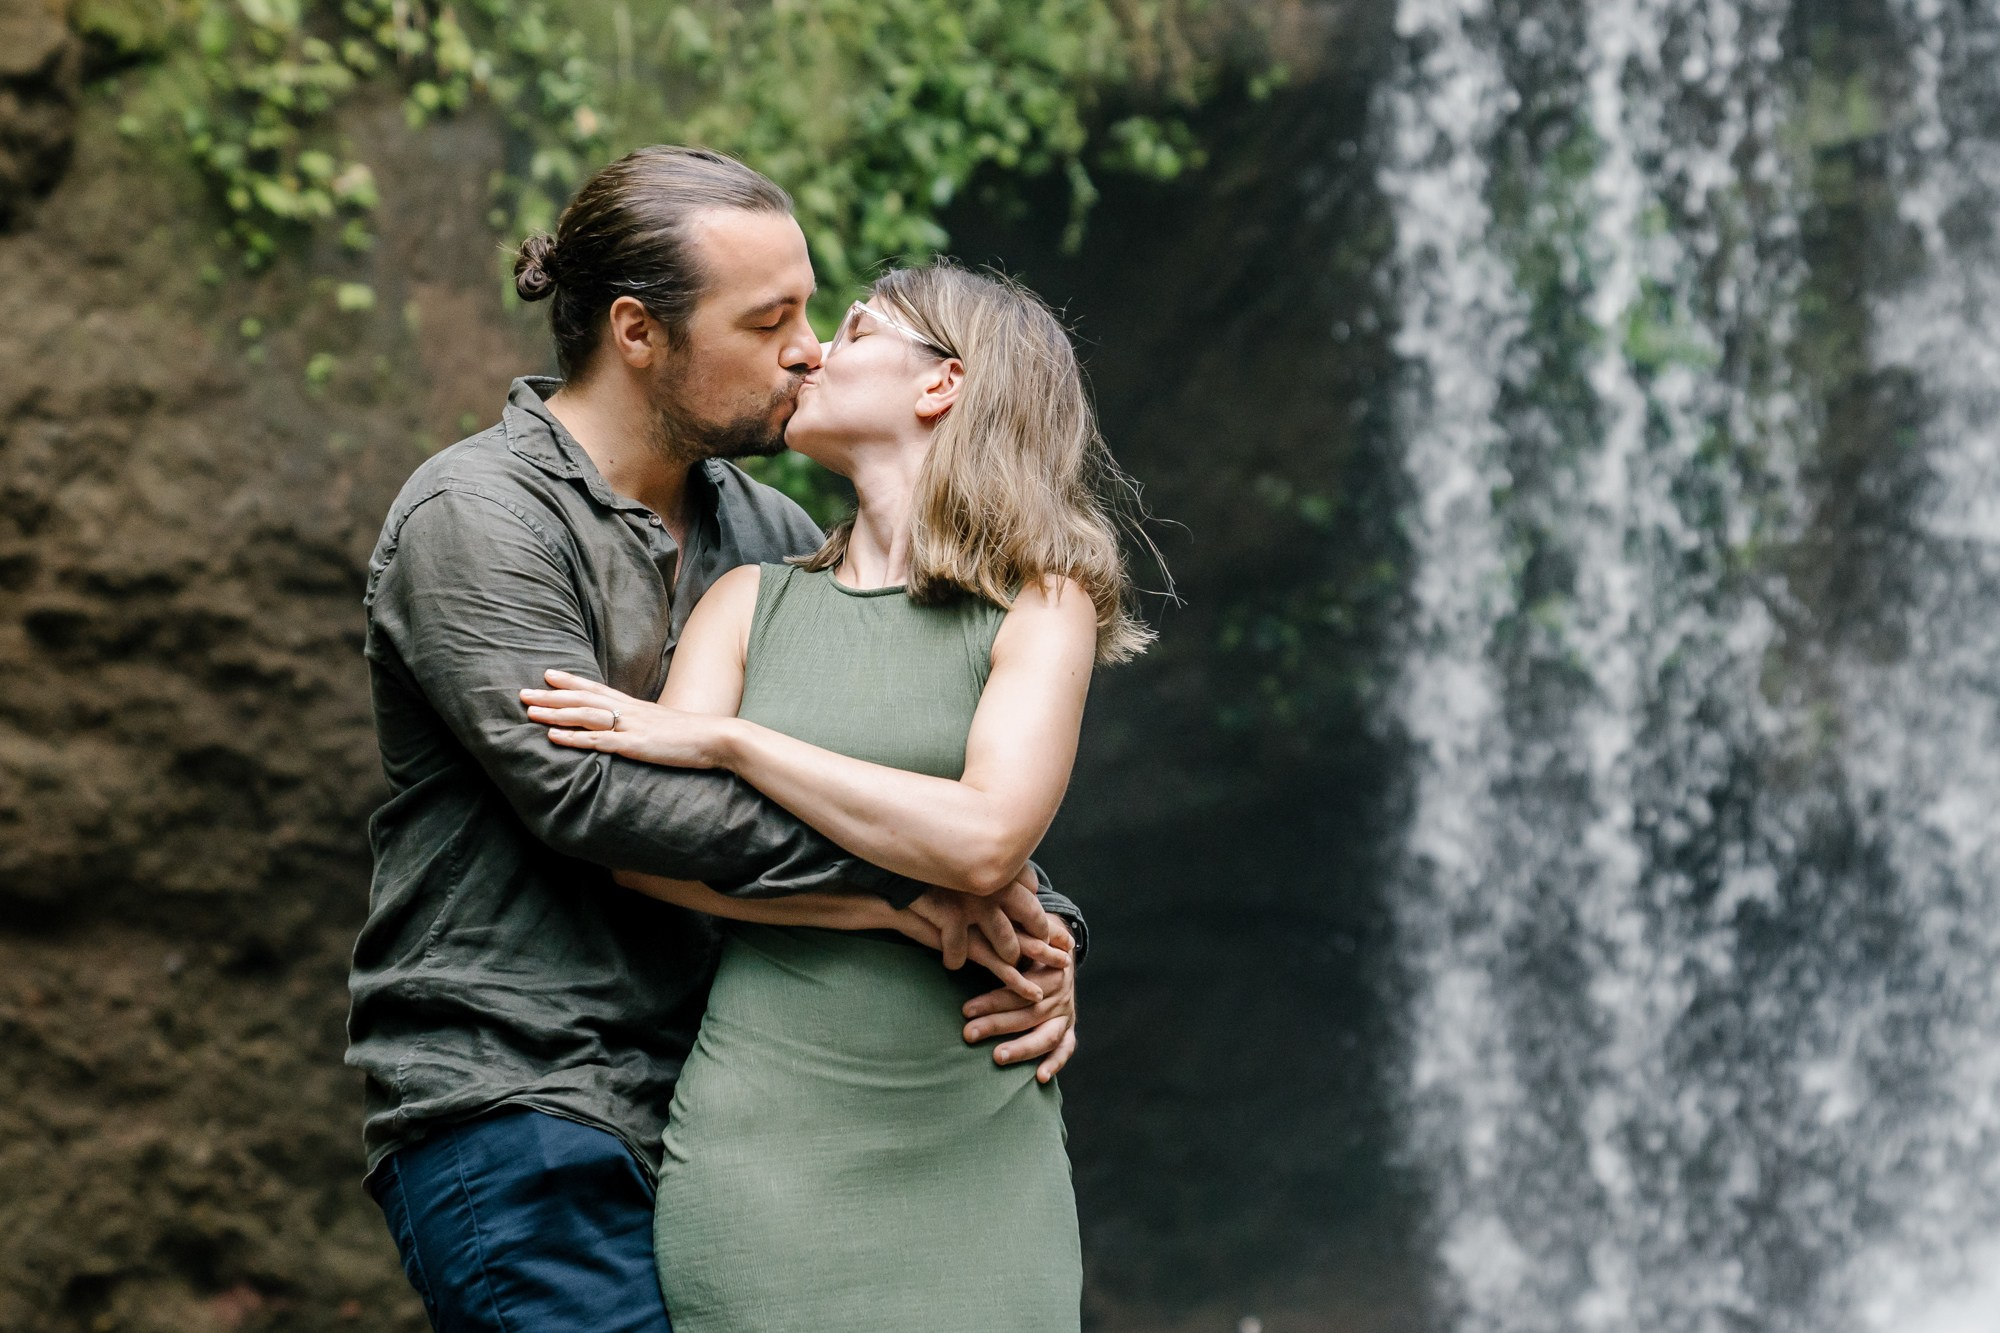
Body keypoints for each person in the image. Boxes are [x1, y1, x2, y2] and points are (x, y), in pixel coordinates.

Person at [347, 146, 1087, 1333]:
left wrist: (1032, 922)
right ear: (638, 332)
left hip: (723, 1095)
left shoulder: (768, 530)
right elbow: (597, 801)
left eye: (814, 314)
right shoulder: (474, 518)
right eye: (771, 319)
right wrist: (934, 885)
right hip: (523, 1094)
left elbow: (911, 775)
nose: (805, 347)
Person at [518, 260, 1153, 1332]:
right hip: (765, 1149)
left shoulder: (1044, 603)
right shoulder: (744, 602)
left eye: (854, 329)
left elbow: (987, 839)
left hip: (975, 1154)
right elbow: (645, 853)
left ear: (939, 385)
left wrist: (733, 742)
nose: (811, 349)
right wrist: (879, 900)